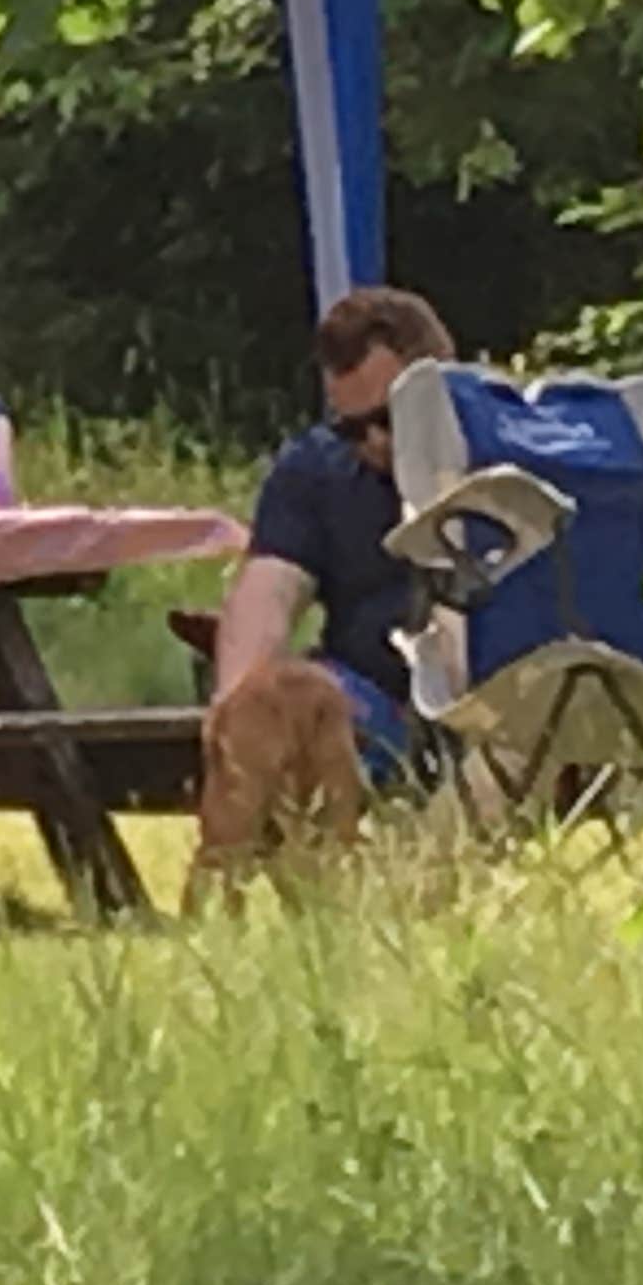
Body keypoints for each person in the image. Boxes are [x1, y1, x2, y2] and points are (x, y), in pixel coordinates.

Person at [193, 283, 457, 896]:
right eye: (352, 427)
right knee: (287, 703)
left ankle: (329, 897)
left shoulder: (508, 457)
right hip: (370, 705)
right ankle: (296, 905)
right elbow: (269, 590)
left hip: (494, 705)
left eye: (390, 419)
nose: (375, 443)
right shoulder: (317, 470)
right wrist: (235, 707)